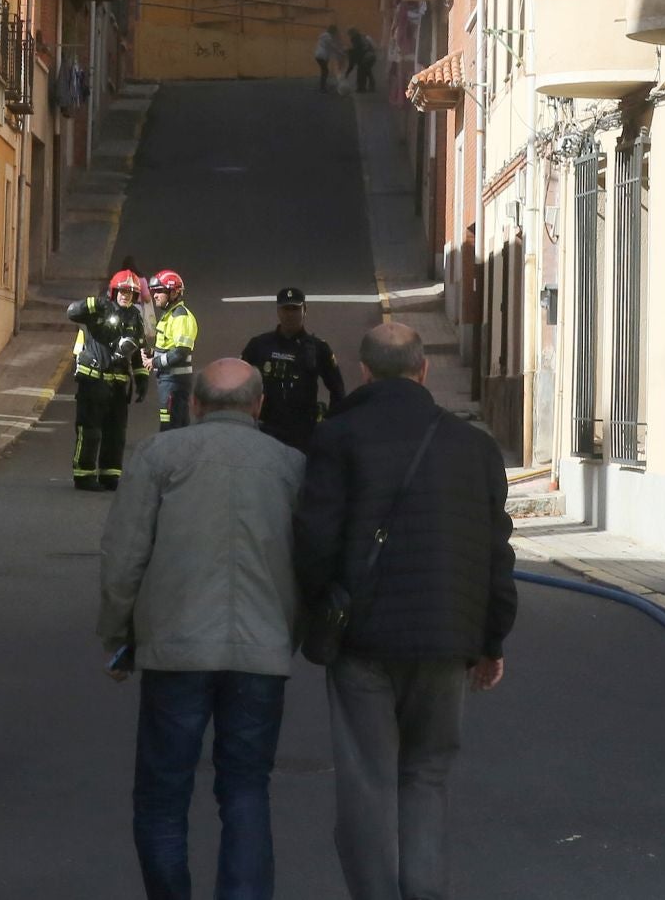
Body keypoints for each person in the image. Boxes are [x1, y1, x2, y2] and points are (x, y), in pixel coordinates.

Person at [292, 323, 517, 900]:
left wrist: (321, 610)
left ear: (364, 371)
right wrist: (491, 641)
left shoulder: (337, 437)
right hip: (447, 640)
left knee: (369, 783)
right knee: (427, 775)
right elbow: (496, 552)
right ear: (423, 371)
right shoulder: (474, 447)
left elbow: (314, 540)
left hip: (363, 640)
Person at [98, 359, 306, 900]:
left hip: (174, 650)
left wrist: (118, 634)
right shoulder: (290, 466)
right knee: (246, 790)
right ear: (258, 406)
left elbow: (124, 557)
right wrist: (293, 633)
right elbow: (311, 559)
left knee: (163, 797)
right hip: (261, 653)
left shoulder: (158, 457)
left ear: (194, 404)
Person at [68, 271, 150, 491]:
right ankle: (83, 475)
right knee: (91, 431)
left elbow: (139, 352)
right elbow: (72, 312)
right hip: (94, 382)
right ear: (114, 291)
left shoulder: (135, 317)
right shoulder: (99, 310)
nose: (126, 296)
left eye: (131, 293)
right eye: (123, 291)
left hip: (117, 387)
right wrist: (94, 303)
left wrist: (142, 379)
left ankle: (110, 475)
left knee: (116, 434)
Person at [241, 288, 346, 453]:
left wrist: (329, 424)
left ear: (305, 310)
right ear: (278, 310)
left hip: (304, 432)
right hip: (266, 428)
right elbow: (240, 384)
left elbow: (338, 390)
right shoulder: (259, 345)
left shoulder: (319, 348)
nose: (290, 314)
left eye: (295, 309)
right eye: (285, 309)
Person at [145, 270, 199, 432]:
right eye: (154, 291)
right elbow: (167, 347)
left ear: (174, 292)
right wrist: (151, 352)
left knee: (171, 427)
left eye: (160, 291)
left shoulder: (180, 317)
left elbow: (180, 352)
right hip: (168, 382)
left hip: (174, 383)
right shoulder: (169, 315)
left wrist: (153, 362)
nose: (155, 295)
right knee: (172, 424)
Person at [344, 28, 378, 94]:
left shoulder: (355, 41)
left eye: (349, 35)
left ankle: (362, 88)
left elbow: (351, 64)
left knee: (361, 71)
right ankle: (369, 86)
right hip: (371, 56)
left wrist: (347, 73)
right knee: (366, 71)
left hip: (366, 57)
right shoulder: (363, 37)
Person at [315, 25, 340, 93]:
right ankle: (322, 87)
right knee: (325, 71)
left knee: (324, 71)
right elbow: (331, 46)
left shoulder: (324, 35)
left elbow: (329, 47)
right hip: (321, 55)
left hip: (320, 55)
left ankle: (323, 86)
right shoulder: (327, 36)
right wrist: (339, 51)